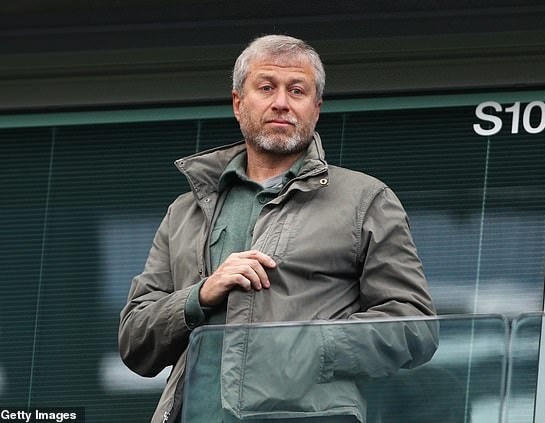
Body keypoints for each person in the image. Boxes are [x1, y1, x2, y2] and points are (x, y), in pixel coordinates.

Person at [119, 34, 437, 423]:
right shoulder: (186, 210)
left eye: (297, 90)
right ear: (238, 103)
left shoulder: (365, 200)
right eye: (266, 87)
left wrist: (310, 345)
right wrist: (200, 295)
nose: (282, 102)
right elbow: (134, 340)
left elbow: (414, 326)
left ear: (316, 109)